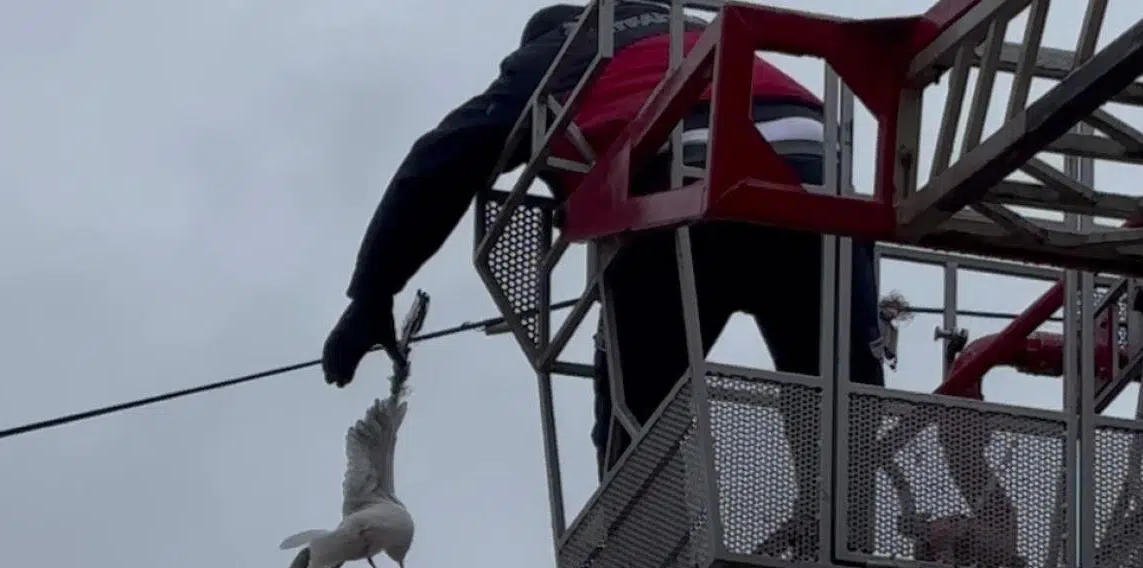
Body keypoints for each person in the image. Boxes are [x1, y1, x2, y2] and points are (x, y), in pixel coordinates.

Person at [321, 2, 886, 536]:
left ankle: (654, 559)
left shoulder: (572, 48)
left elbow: (451, 152)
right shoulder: (693, 35)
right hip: (823, 193)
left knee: (635, 426)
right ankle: (844, 536)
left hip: (684, 187)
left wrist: (372, 292)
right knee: (840, 406)